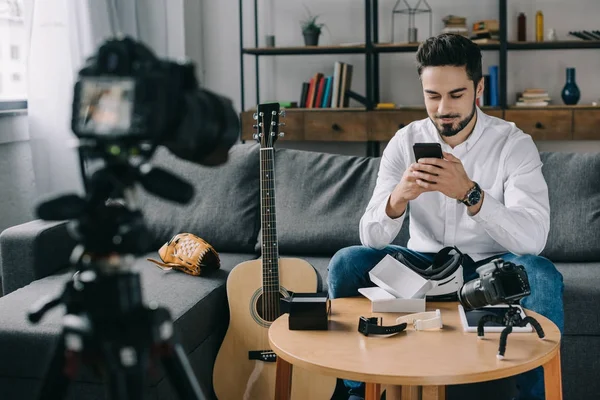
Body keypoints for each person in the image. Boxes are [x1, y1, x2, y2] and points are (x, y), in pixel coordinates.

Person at [327, 33, 564, 400]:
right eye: (432, 96)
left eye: (455, 95)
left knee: (542, 275)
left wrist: (470, 194)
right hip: (422, 268)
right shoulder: (404, 142)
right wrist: (398, 199)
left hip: (490, 267)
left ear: (478, 88)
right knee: (346, 263)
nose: (442, 109)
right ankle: (358, 392)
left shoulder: (513, 144)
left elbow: (534, 240)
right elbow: (371, 237)